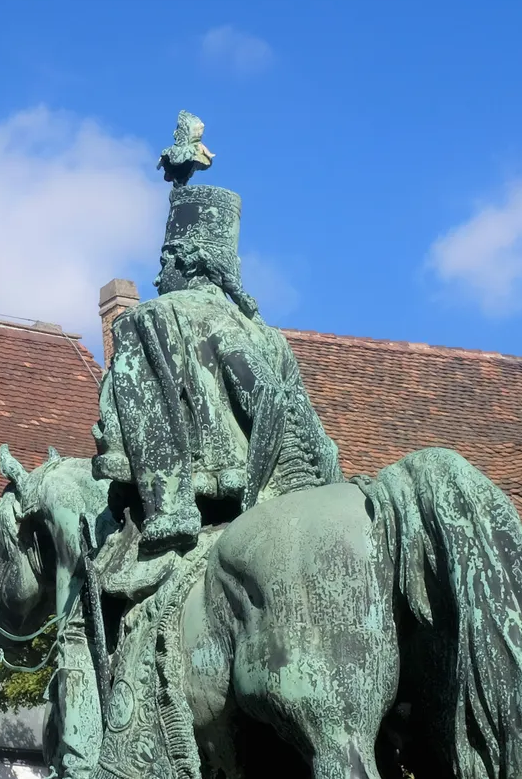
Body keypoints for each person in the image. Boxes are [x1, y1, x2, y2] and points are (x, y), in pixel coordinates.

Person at [91, 112, 343, 599]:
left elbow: (133, 445)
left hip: (206, 516)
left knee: (107, 596)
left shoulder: (150, 320)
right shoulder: (265, 336)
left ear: (182, 259)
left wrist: (166, 507)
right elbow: (313, 438)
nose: (160, 277)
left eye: (164, 263)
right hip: (292, 503)